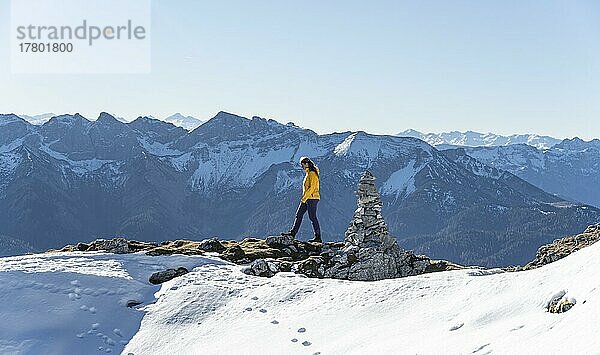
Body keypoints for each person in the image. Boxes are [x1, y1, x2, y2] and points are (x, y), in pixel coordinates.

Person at [281, 157, 322, 243]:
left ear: (307, 164)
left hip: (312, 198)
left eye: (302, 165)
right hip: (308, 198)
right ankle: (292, 234)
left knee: (312, 217)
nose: (302, 167)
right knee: (299, 214)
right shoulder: (308, 173)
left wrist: (304, 198)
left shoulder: (312, 174)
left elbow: (312, 187)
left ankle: (318, 237)